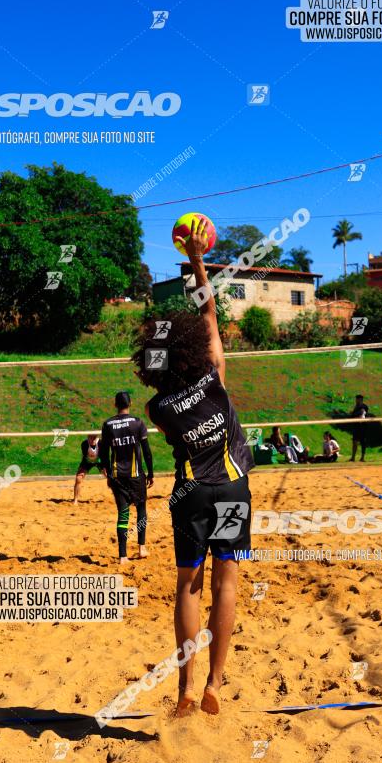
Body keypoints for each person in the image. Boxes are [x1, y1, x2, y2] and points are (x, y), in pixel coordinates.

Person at [133, 217, 254, 718]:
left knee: (187, 585)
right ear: (192, 353)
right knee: (227, 583)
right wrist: (198, 260)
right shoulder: (214, 377)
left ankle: (185, 688)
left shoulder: (157, 409)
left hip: (190, 496)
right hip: (232, 490)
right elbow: (209, 317)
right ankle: (215, 684)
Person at [99, 391, 154, 565]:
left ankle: (123, 556)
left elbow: (104, 452)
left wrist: (107, 472)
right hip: (135, 475)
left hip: (117, 476)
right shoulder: (138, 423)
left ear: (115, 404)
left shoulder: (108, 424)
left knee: (123, 513)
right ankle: (141, 548)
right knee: (141, 510)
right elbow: (146, 451)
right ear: (130, 403)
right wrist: (151, 473)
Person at [73, 433, 106, 504]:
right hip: (87, 461)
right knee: (78, 478)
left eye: (94, 437)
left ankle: (118, 497)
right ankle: (75, 500)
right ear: (87, 437)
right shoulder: (84, 444)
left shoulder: (101, 443)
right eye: (91, 437)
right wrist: (82, 469)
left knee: (111, 477)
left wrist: (104, 469)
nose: (92, 439)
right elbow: (84, 457)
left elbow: (104, 457)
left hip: (99, 461)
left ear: (97, 437)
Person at [349, 394, 369, 462]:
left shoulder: (364, 407)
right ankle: (353, 457)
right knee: (354, 442)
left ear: (360, 400)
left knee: (363, 442)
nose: (356, 400)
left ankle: (362, 457)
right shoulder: (356, 406)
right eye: (356, 399)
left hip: (362, 427)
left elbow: (362, 415)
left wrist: (356, 418)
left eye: (357, 399)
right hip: (356, 426)